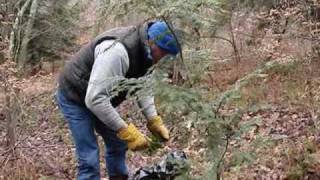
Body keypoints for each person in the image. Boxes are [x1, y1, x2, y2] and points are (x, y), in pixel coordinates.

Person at [55, 20, 180, 180]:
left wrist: (153, 120)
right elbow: (94, 100)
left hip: (99, 97)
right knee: (89, 157)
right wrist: (125, 131)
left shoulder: (147, 54)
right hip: (75, 96)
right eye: (162, 53)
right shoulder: (118, 52)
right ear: (152, 41)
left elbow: (142, 86)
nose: (162, 58)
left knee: (118, 143)